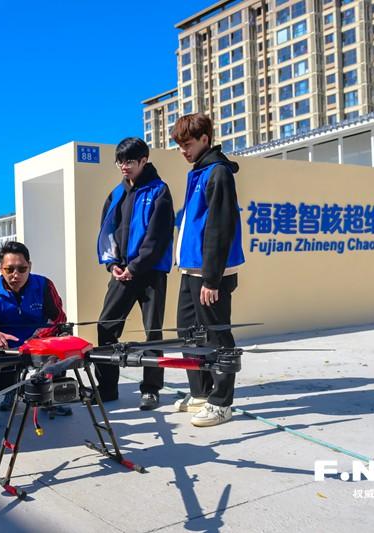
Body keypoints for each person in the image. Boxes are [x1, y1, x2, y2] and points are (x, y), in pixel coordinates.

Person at [170, 113, 245, 427]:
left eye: (187, 144)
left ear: (205, 139)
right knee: (189, 334)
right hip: (191, 271)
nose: (183, 151)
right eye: (180, 146)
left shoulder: (218, 173)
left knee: (217, 335)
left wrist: (212, 279)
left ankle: (222, 402)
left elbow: (219, 228)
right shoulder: (199, 172)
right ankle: (201, 392)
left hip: (210, 275)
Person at [95, 137, 174, 410]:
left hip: (151, 274)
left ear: (144, 160)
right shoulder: (116, 193)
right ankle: (106, 389)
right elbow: (107, 232)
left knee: (153, 332)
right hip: (122, 272)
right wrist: (112, 264)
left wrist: (135, 267)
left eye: (129, 161)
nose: (124, 166)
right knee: (106, 326)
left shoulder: (159, 190)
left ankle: (151, 390)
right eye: (120, 161)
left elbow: (158, 236)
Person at [0, 241, 70, 415]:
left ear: (30, 266)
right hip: (8, 350)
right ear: (1, 268)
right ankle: (10, 390)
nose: (15, 275)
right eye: (9, 269)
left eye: (22, 269)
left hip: (40, 346)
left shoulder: (44, 285)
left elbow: (59, 318)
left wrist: (37, 338)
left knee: (62, 340)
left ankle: (50, 397)